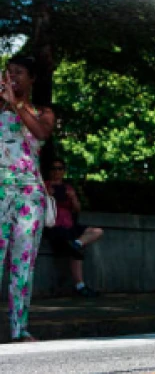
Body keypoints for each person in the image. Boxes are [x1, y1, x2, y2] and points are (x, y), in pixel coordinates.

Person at [0, 55, 55, 342]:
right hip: (0, 191)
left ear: (31, 79)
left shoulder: (42, 112)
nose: (13, 78)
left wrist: (17, 104)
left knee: (22, 266)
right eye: (9, 73)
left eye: (19, 73)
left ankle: (19, 329)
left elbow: (41, 133)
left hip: (30, 196)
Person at [43, 158, 104, 297]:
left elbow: (77, 209)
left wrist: (73, 197)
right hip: (54, 226)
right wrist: (48, 195)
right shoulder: (45, 186)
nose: (57, 171)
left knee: (97, 232)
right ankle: (80, 286)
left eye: (60, 168)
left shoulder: (68, 188)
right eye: (54, 168)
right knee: (76, 253)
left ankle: (76, 244)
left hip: (69, 225)